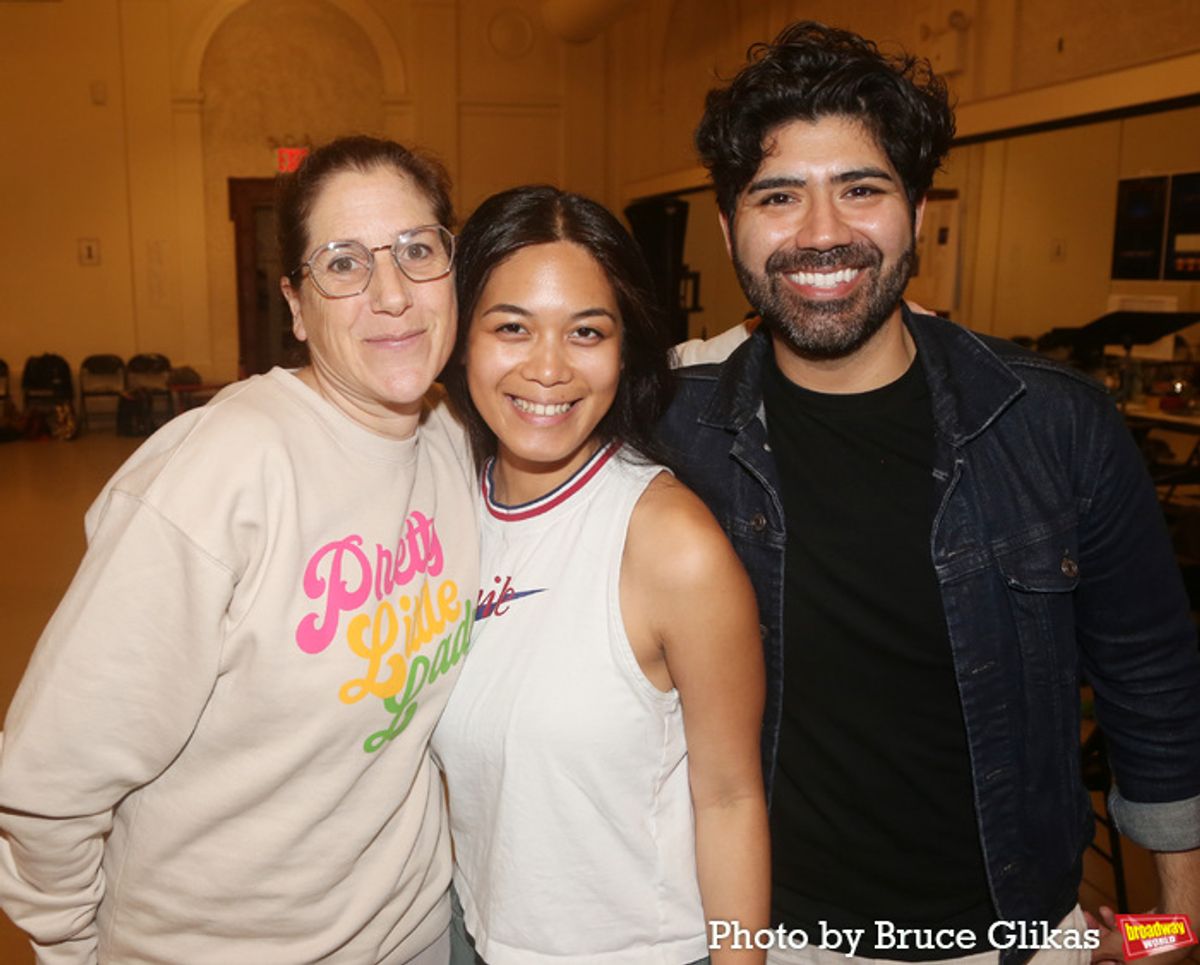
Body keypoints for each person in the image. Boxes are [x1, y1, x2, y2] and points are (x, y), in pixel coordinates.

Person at [657, 21, 1200, 965]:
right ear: (728, 225)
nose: (821, 233)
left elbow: (1150, 680)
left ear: (914, 208)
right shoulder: (669, 430)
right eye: (778, 195)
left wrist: (1177, 931)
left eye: (860, 189)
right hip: (764, 936)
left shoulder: (1056, 425)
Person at [0, 135, 478, 963]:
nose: (392, 293)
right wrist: (76, 945)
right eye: (343, 263)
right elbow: (49, 781)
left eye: (416, 249)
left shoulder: (454, 438)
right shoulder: (221, 473)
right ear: (295, 304)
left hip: (411, 929)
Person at [433, 185, 770, 965]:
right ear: (461, 339)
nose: (548, 368)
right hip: (479, 940)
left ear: (626, 349)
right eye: (512, 326)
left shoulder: (671, 544)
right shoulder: (450, 509)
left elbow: (730, 799)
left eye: (587, 331)